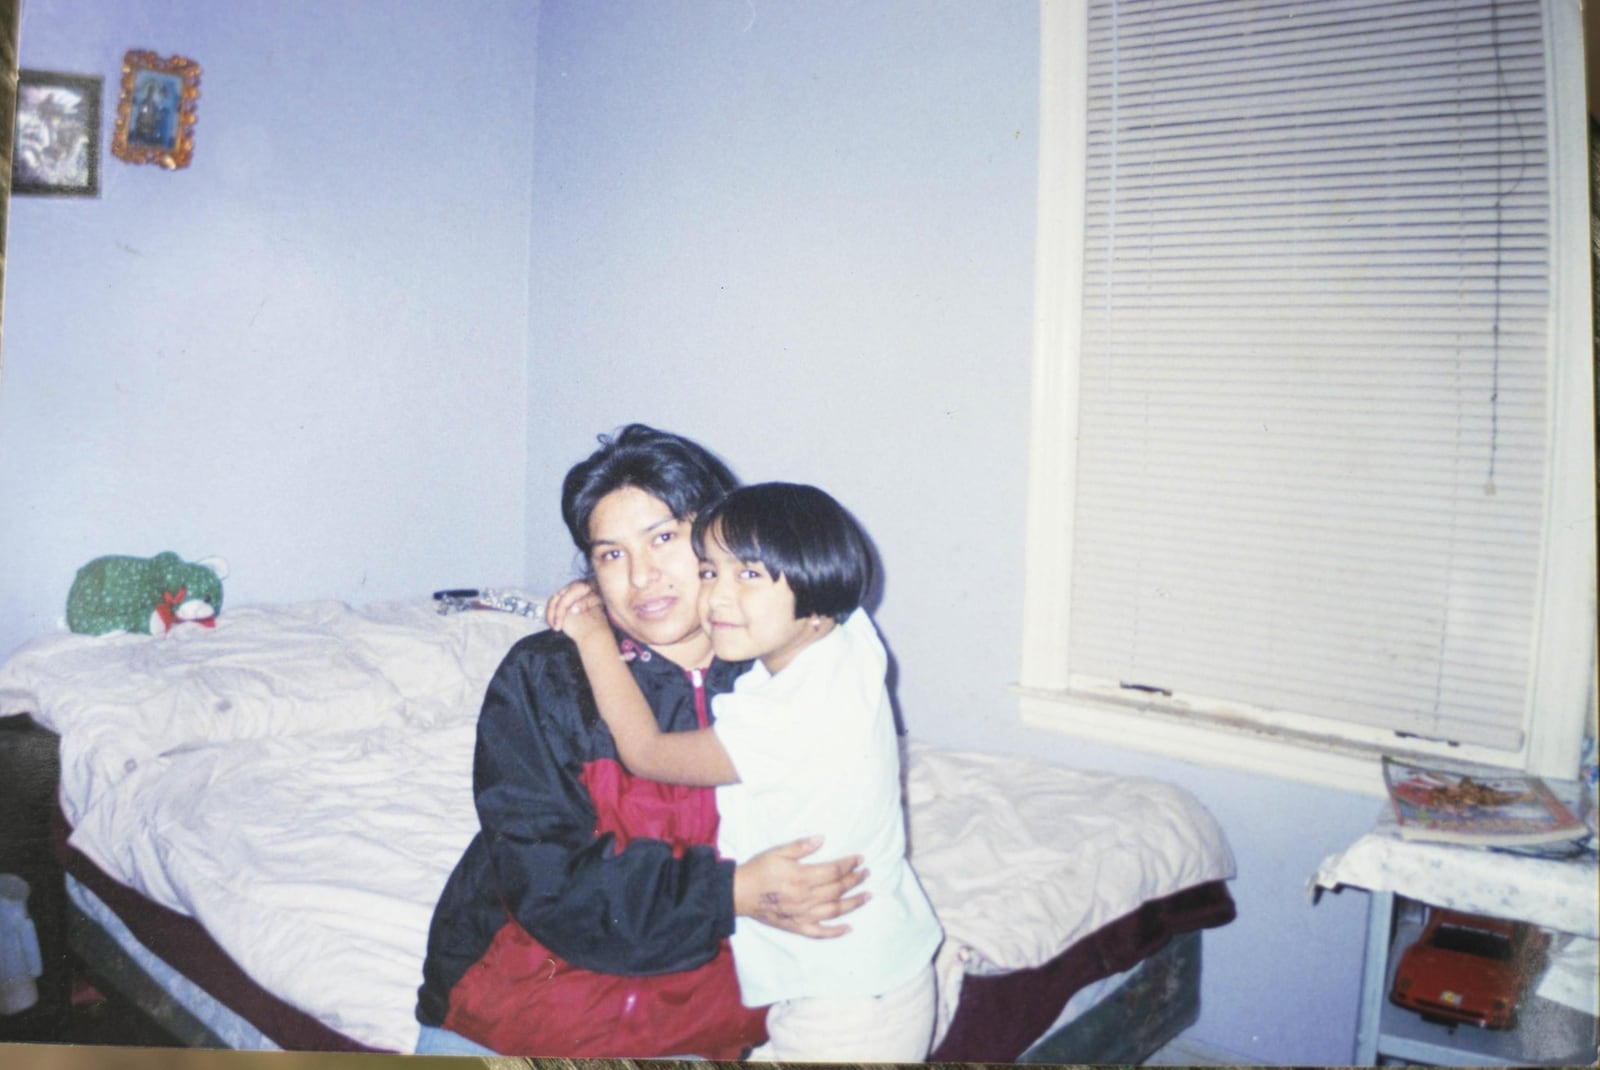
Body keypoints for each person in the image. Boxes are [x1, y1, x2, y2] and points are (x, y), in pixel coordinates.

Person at [414, 427, 868, 1058]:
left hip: (716, 1016)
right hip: (524, 1004)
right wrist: (729, 894)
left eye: (662, 538)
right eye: (611, 554)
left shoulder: (784, 672)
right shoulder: (547, 677)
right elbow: (546, 882)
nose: (643, 577)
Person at [552, 481, 943, 1061]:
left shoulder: (786, 715)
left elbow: (648, 752)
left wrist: (591, 636)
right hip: (884, 962)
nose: (717, 599)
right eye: (710, 571)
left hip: (841, 1000)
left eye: (750, 576)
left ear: (815, 588)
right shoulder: (851, 641)